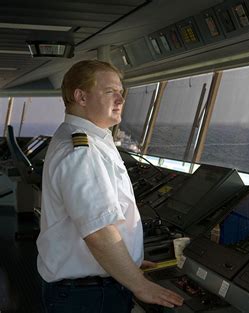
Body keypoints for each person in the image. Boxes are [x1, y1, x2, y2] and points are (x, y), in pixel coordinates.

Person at [36, 60, 184, 313]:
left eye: (121, 92)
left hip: (86, 288)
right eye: (110, 92)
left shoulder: (84, 139)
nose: (120, 99)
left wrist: (130, 260)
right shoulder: (83, 152)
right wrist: (139, 284)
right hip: (90, 297)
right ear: (81, 97)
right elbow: (99, 231)